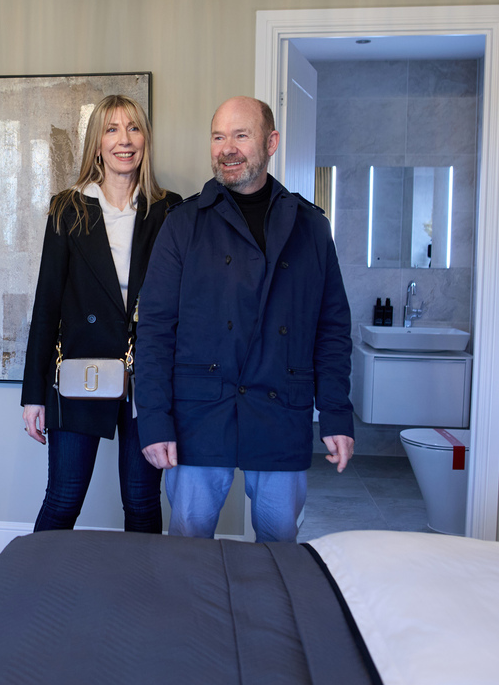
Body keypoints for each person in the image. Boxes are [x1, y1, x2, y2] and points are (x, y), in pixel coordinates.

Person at [133, 96, 355, 543]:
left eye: (240, 135)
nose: (227, 148)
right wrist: (153, 418)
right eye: (218, 137)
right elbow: (154, 329)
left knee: (279, 552)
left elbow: (332, 328)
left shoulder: (310, 226)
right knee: (188, 549)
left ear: (270, 142)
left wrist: (335, 412)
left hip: (281, 410)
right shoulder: (183, 223)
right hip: (199, 412)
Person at [21, 94, 183, 533]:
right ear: (97, 143)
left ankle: (140, 599)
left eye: (133, 128)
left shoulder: (170, 209)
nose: (124, 140)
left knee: (142, 502)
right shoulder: (68, 208)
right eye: (112, 129)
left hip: (147, 376)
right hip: (81, 373)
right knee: (64, 499)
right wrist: (33, 394)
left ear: (145, 139)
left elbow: (182, 305)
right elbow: (47, 303)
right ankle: (37, 598)